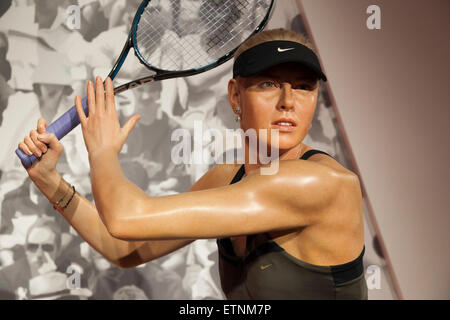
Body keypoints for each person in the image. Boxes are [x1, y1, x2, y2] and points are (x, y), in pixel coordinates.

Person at [17, 28, 368, 299]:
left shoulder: (321, 183)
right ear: (234, 95)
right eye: (268, 83)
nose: (288, 101)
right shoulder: (226, 179)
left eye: (304, 86)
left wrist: (104, 152)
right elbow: (124, 249)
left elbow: (125, 218)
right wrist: (50, 181)